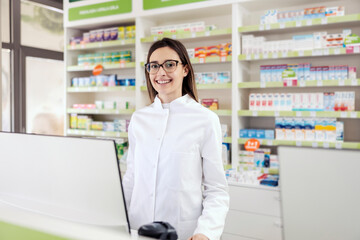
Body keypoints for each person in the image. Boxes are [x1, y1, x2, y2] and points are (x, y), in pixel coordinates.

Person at [122, 38, 229, 240]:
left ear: (185, 69)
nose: (161, 72)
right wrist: (116, 218)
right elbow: (132, 177)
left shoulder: (205, 120)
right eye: (154, 66)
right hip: (138, 229)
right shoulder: (139, 119)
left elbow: (217, 189)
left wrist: (205, 233)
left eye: (170, 64)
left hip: (183, 232)